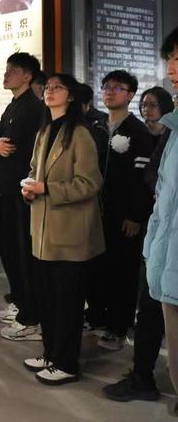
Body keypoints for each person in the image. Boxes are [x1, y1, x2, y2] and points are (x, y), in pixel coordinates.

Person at [20, 72, 104, 386]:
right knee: (47, 299)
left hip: (70, 233)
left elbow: (90, 183)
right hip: (44, 231)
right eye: (48, 88)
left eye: (58, 88)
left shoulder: (80, 133)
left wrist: (47, 189)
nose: (50, 91)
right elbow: (34, 171)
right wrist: (29, 189)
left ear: (71, 96)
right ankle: (51, 353)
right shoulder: (45, 131)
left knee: (67, 303)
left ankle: (66, 363)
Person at [104, 84, 174, 402]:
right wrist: (164, 191)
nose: (148, 109)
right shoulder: (170, 132)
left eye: (153, 104)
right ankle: (142, 376)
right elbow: (152, 172)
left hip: (160, 225)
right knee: (150, 307)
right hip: (160, 229)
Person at [85, 70, 154, 351]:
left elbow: (143, 180)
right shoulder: (97, 127)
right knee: (96, 266)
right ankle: (97, 317)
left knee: (122, 271)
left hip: (123, 214)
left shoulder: (138, 131)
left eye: (118, 87)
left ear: (130, 94)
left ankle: (118, 326)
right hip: (94, 212)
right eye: (106, 86)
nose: (110, 91)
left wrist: (135, 215)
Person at [0, 52, 43, 341]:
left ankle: (30, 316)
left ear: (28, 76)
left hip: (20, 192)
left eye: (12, 70)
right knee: (9, 251)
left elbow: (13, 145)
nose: (6, 74)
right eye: (6, 69)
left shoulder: (33, 108)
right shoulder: (12, 105)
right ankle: (21, 305)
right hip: (5, 190)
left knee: (22, 255)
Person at [143, 28, 178, 414]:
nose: (171, 69)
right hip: (168, 257)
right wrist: (153, 246)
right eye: (169, 60)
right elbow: (163, 192)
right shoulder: (175, 127)